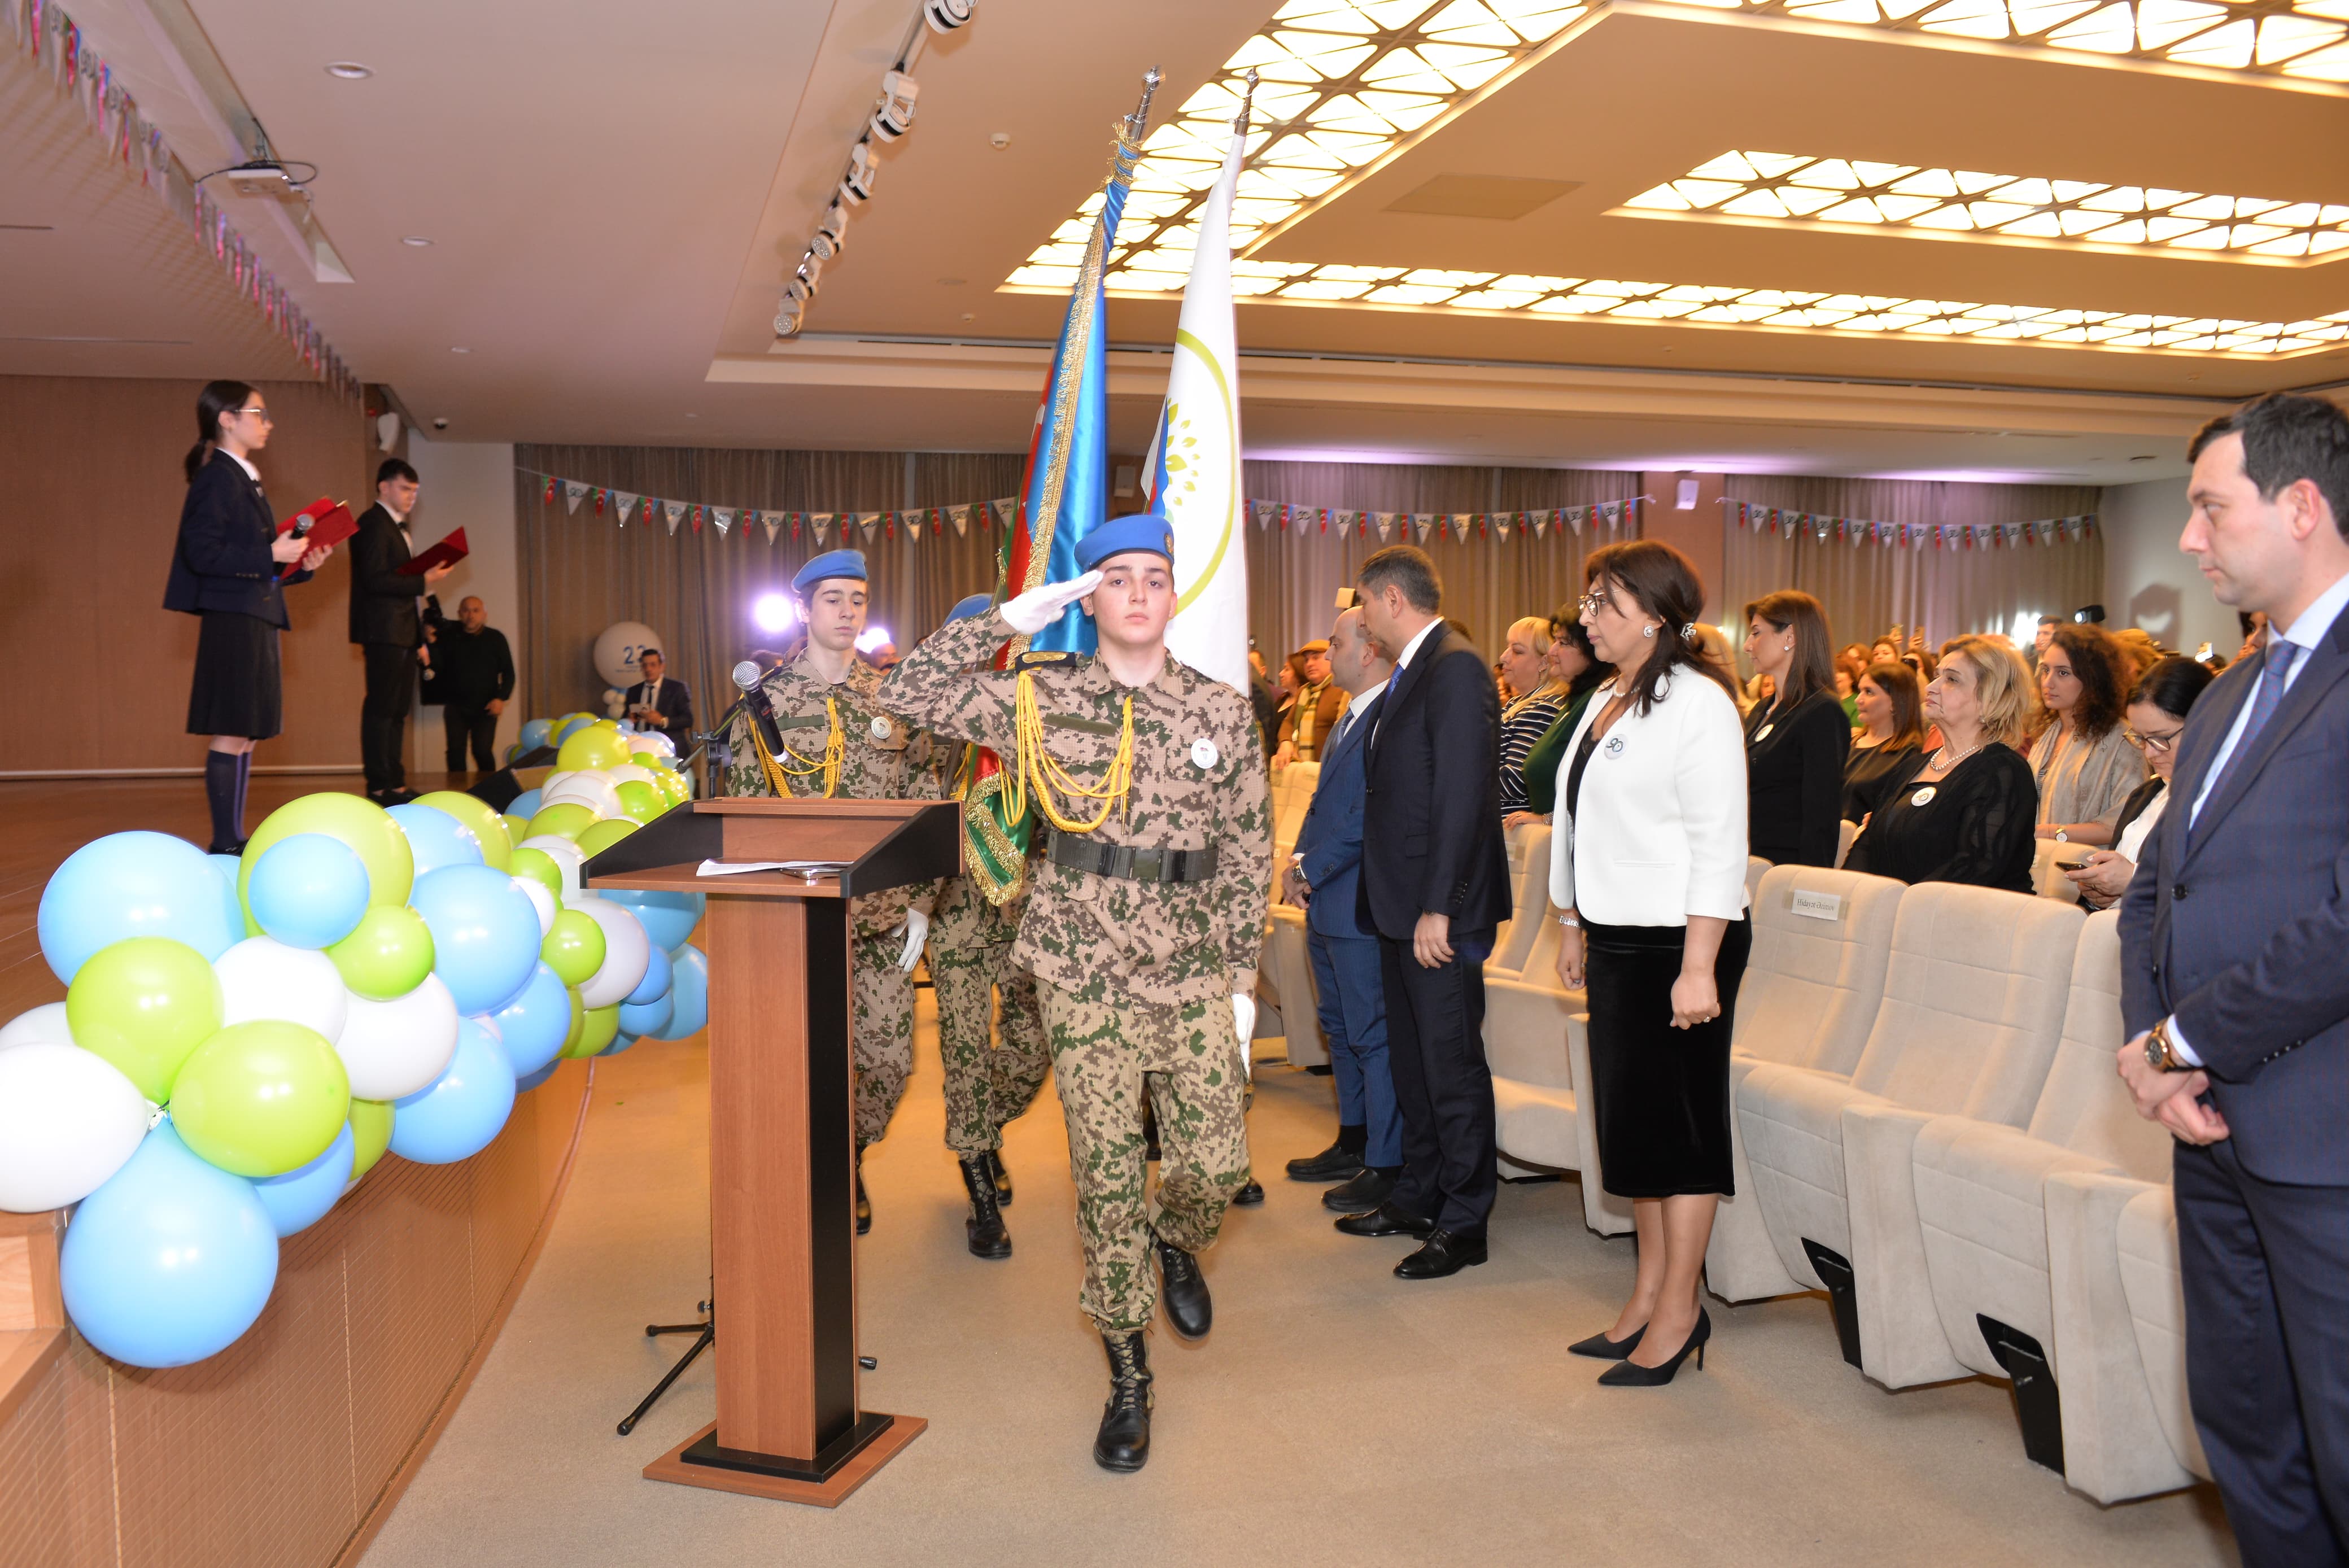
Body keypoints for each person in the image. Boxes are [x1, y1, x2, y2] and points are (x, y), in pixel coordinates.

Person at [885, 514, 1268, 1473]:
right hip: (1083, 971)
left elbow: (1248, 851)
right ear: (1089, 597)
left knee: (1217, 1163)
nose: (1138, 593)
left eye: (1154, 577)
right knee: (1104, 1179)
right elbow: (908, 688)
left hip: (1187, 970)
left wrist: (1243, 976)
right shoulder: (1039, 701)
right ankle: (1130, 1375)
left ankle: (1177, 1238)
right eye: (1117, 578)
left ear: (1174, 594)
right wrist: (1011, 618)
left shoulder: (1221, 710)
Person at [2117, 392, 2349, 1565]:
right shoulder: (2226, 687)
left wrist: (2179, 1042)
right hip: (2210, 1128)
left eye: (2210, 507)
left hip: (2326, 1139)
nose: (2189, 539)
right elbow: (2158, 887)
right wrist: (2153, 1058)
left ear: (2301, 505)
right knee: (2248, 1430)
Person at [1549, 539, 1750, 1386]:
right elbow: (1575, 818)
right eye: (1591, 602)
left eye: (1607, 604)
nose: (1589, 617)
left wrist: (1699, 964)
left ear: (1656, 617)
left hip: (1680, 943)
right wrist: (1569, 920)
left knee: (1680, 1134)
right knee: (1633, 1133)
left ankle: (1680, 1310)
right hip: (1619, 940)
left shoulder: (1698, 704)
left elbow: (1719, 843)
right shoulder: (1607, 694)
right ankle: (1644, 1296)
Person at [723, 549, 937, 1234]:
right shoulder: (766, 701)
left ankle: (848, 1150)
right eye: (834, 599)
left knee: (887, 1061)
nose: (848, 612)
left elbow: (923, 799)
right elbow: (742, 807)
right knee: (794, 1059)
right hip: (795, 918)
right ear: (802, 610)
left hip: (877, 916)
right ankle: (811, 1169)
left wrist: (921, 901)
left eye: (858, 599)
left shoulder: (892, 699)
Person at [1339, 545, 1512, 1279]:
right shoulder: (1415, 670)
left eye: (1366, 606)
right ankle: (1418, 1192)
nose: (1362, 620)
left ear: (1392, 600)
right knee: (1413, 1063)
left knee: (1450, 1066)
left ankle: (1466, 1218)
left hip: (1439, 911)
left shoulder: (1457, 666)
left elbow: (1464, 798)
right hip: (1399, 906)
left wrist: (1442, 905)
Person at [921, 594, 1052, 1260]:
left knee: (1034, 1048)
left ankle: (984, 1129)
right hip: (956, 913)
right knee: (966, 1050)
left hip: (1027, 910)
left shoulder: (1026, 716)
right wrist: (914, 909)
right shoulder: (930, 727)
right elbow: (912, 824)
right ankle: (977, 1185)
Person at [163, 381, 334, 853]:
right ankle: (225, 839)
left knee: (247, 732)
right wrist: (269, 552)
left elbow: (254, 562)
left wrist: (295, 566)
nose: (268, 422)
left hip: (254, 611)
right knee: (233, 727)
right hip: (234, 616)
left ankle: (233, 834)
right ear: (227, 418)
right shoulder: (217, 476)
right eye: (259, 413)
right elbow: (202, 552)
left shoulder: (242, 475)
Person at [1282, 604, 1400, 1214]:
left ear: (1369, 649)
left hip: (1356, 900)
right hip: (1327, 898)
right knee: (1339, 1030)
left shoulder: (1389, 714)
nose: (1325, 655)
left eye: (1335, 643)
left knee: (1370, 1034)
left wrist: (1310, 868)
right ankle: (1352, 1138)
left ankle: (1384, 1159)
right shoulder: (1349, 715)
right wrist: (1297, 862)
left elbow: (1366, 819)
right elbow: (1322, 808)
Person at [1843, 636, 2038, 893]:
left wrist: (1899, 903)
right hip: (1891, 913)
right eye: (1937, 676)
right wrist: (1848, 893)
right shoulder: (1914, 765)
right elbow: (1868, 842)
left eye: (1952, 680)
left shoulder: (2003, 772)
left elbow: (1976, 866)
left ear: (1990, 698)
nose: (1931, 687)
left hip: (1956, 921)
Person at [2063, 655, 2213, 911]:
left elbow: (2219, 889)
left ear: (2207, 724)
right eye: (2141, 738)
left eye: (2160, 738)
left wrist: (2133, 880)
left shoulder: (2229, 801)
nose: (2150, 753)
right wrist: (2102, 894)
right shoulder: (2147, 793)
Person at [349, 458, 451, 805]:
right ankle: (379, 785)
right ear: (384, 487)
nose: (411, 497)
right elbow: (374, 579)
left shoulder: (397, 527)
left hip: (402, 631)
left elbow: (402, 587)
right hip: (382, 630)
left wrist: (420, 639)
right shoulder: (372, 523)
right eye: (405, 489)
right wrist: (426, 580)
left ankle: (395, 782)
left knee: (396, 711)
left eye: (415, 491)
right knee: (381, 709)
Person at [1740, 590, 1849, 868]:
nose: (1747, 646)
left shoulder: (1821, 711)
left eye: (1756, 633)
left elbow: (1821, 816)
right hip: (1747, 863)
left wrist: (1807, 890)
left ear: (1790, 637)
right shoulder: (1762, 709)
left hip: (1782, 871)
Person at [2029, 622, 2143, 848]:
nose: (2048, 682)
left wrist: (2053, 833)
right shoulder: (2048, 734)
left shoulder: (2122, 739)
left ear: (2093, 679)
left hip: (2087, 873)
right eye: (2045, 670)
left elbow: (2127, 821)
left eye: (2063, 673)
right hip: (2037, 866)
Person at [1516, 610, 1610, 826]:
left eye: (1564, 643)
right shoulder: (1572, 702)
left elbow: (1595, 789)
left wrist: (1547, 820)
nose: (1552, 651)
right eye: (1555, 641)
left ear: (1591, 650)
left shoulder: (1596, 702)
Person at [432, 596, 515, 777]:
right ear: (459, 614)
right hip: (456, 706)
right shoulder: (449, 638)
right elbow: (436, 667)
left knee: (482, 751)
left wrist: (501, 698)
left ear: (484, 614)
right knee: (455, 752)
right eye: (466, 610)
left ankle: (489, 792)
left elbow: (509, 673)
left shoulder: (496, 638)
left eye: (476, 610)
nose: (471, 615)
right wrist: (431, 642)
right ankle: (457, 794)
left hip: (486, 706)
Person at [1495, 617, 1568, 817]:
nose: (1504, 657)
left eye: (1517, 651)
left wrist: (1455, 774)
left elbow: (1515, 781)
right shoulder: (1517, 705)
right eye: (1507, 648)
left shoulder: (1543, 707)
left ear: (1544, 662)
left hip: (1508, 832)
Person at [1841, 660, 1926, 824]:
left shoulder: (1909, 755)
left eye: (1869, 692)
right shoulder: (1851, 743)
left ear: (1895, 701)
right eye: (1860, 691)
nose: (1859, 699)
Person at [1274, 640, 1345, 766]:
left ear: (1331, 658)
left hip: (1330, 769)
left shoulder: (1343, 689)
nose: (1309, 664)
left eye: (1316, 658)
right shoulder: (1304, 692)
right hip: (1303, 771)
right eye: (1306, 660)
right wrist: (1286, 742)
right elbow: (1288, 723)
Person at [622, 647, 694, 753]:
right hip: (639, 748)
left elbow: (688, 720)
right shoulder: (634, 691)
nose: (648, 669)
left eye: (653, 665)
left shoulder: (677, 688)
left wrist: (662, 721)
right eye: (645, 665)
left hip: (669, 748)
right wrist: (629, 721)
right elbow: (624, 719)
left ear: (662, 667)